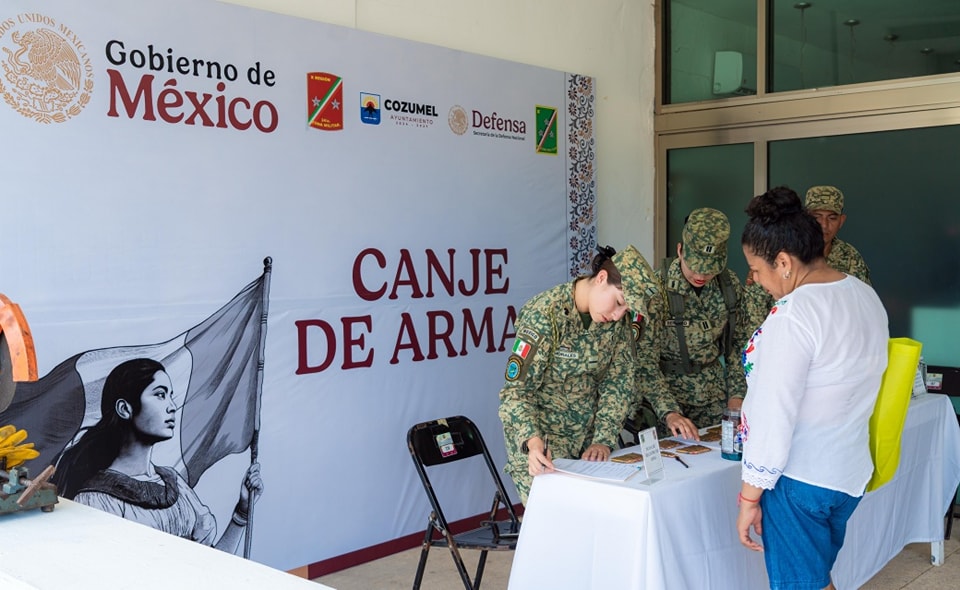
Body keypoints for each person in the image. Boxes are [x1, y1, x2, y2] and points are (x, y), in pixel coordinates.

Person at [736, 186, 888, 590]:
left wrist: (750, 497)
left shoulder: (794, 314)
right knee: (815, 579)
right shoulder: (864, 295)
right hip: (846, 474)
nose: (755, 281)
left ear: (783, 262)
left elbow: (774, 411)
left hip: (801, 479)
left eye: (756, 269)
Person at [498, 245, 659, 503]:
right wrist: (532, 441)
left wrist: (603, 440)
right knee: (556, 530)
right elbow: (516, 392)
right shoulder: (546, 314)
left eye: (625, 310)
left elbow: (618, 384)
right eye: (618, 302)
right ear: (602, 278)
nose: (617, 315)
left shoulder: (616, 325)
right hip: (543, 445)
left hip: (589, 446)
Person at [53, 358, 264, 554]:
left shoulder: (175, 485)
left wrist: (241, 513)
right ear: (124, 409)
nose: (172, 407)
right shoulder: (96, 500)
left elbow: (212, 570)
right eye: (160, 394)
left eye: (170, 395)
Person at [639, 207, 750, 441]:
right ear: (680, 251)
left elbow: (737, 346)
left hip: (715, 399)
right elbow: (645, 363)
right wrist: (669, 412)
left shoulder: (728, 287)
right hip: (667, 402)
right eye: (695, 267)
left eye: (709, 270)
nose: (701, 275)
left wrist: (737, 396)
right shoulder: (656, 290)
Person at [744, 184, 871, 332]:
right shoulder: (777, 256)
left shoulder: (851, 258)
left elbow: (863, 308)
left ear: (841, 221)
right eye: (817, 216)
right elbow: (753, 316)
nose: (824, 225)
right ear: (805, 219)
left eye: (832, 218)